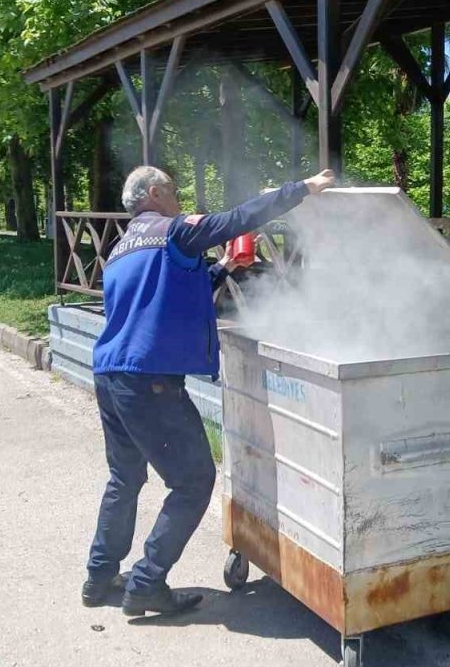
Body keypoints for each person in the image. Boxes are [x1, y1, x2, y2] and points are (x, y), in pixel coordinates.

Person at [82, 165, 336, 615]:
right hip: (150, 382)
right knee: (194, 480)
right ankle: (146, 583)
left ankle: (100, 577)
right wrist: (304, 188)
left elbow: (169, 296)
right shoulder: (172, 231)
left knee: (125, 478)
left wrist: (223, 267)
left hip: (110, 375)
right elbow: (240, 218)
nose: (178, 200)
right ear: (155, 193)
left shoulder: (122, 248)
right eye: (174, 192)